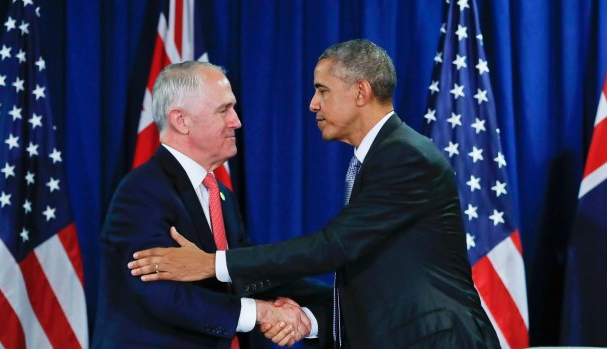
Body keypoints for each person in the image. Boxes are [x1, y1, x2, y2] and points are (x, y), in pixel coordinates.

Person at [128, 40, 501, 348]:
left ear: (360, 91)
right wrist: (308, 321)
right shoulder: (378, 158)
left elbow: (333, 246)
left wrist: (213, 263)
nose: (312, 104)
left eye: (322, 90)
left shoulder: (404, 156)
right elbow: (372, 278)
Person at [92, 61, 331, 348]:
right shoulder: (141, 193)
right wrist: (260, 312)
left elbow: (243, 273)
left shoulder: (220, 196)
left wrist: (328, 303)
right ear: (181, 120)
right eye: (223, 110)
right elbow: (159, 294)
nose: (236, 121)